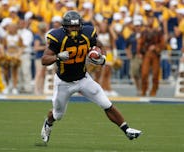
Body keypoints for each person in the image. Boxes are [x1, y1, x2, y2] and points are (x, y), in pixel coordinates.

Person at [40, 11, 141, 144]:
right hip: (64, 82)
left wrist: (102, 58)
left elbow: (100, 45)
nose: (74, 29)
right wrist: (57, 57)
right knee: (58, 115)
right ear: (65, 27)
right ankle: (48, 123)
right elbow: (44, 59)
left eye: (76, 26)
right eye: (71, 27)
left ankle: (127, 130)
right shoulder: (58, 37)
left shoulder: (87, 33)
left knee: (106, 103)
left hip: (83, 79)